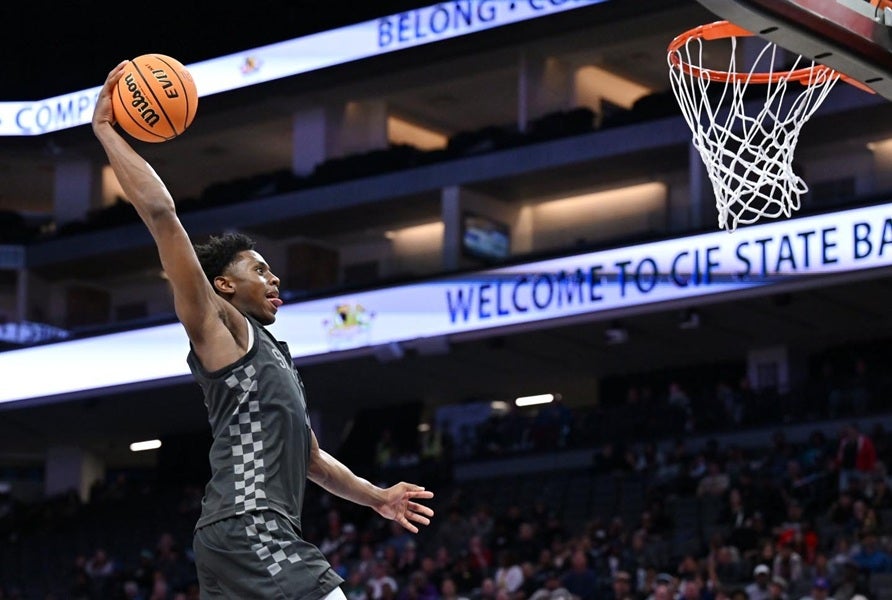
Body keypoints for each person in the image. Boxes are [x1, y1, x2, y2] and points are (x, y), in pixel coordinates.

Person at [92, 62, 435, 599]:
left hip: (240, 535)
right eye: (259, 269)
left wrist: (377, 497)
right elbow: (161, 214)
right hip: (250, 527)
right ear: (224, 286)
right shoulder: (217, 326)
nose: (274, 278)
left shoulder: (277, 356)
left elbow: (313, 459)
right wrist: (107, 132)